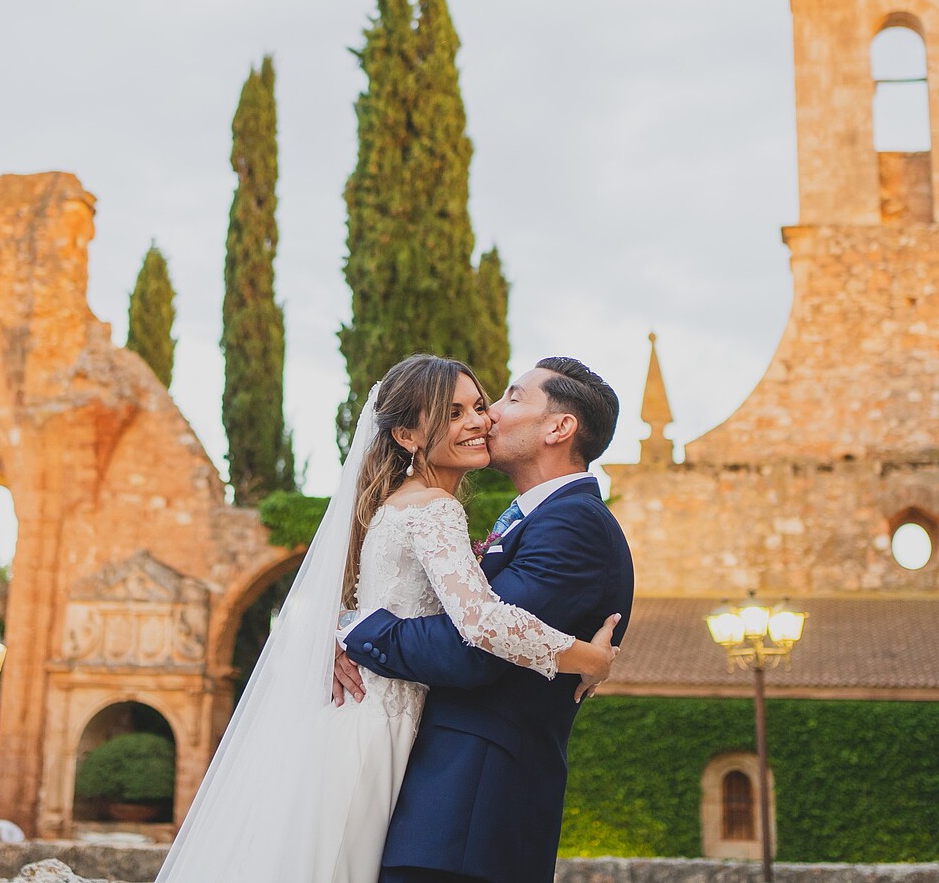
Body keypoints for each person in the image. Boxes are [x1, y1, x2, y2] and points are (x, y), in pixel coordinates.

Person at [155, 354, 622, 883]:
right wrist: (588, 658)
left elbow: (454, 632)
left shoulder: (424, 506)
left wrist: (344, 631)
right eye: (455, 412)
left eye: (492, 402)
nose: (484, 417)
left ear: (560, 428)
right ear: (406, 435)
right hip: (380, 724)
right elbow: (481, 624)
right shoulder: (436, 507)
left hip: (390, 732)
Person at [338, 356, 633, 883]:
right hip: (441, 810)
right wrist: (342, 632)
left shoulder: (574, 525)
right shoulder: (530, 519)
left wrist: (358, 632)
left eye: (511, 398)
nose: (489, 414)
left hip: (469, 816)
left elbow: (471, 650)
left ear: (559, 428)